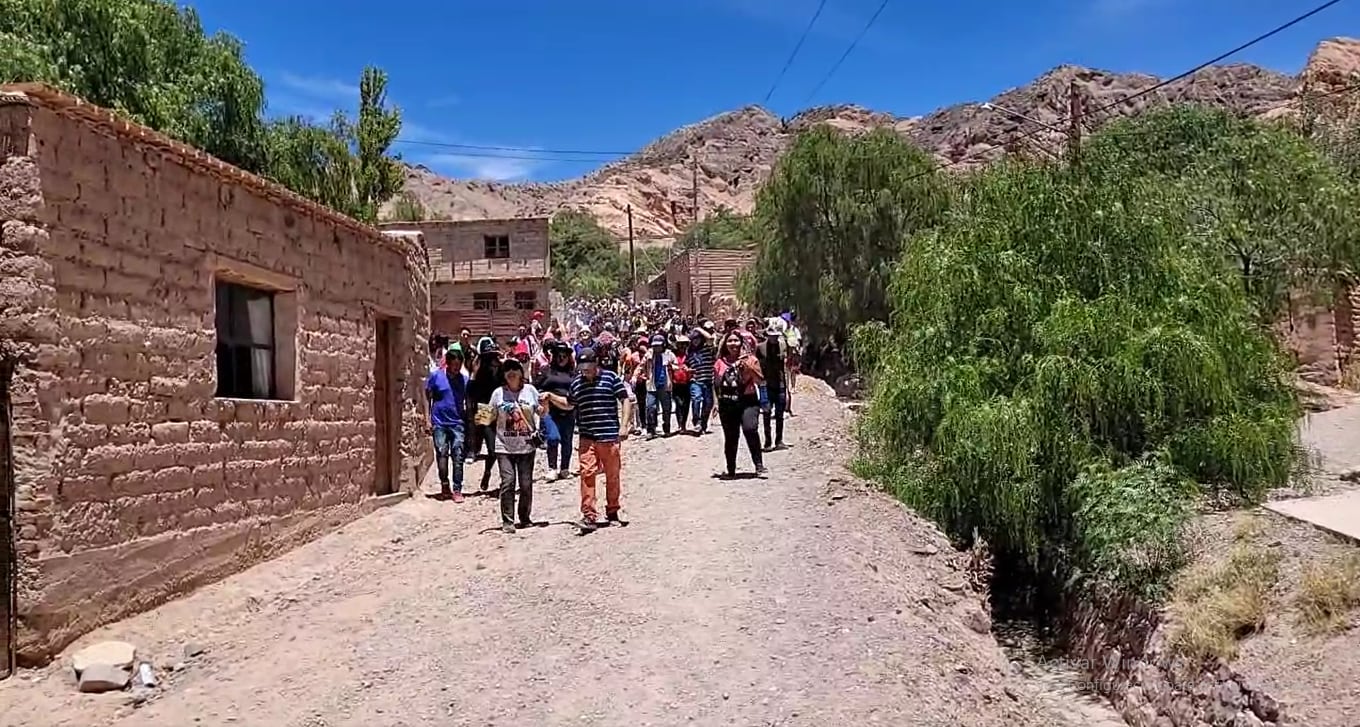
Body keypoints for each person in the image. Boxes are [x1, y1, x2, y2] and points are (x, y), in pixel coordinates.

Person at [567, 348, 632, 531]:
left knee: (612, 475)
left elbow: (624, 399)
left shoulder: (610, 378)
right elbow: (569, 404)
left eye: (588, 366)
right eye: (582, 367)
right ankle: (589, 516)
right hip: (587, 437)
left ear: (596, 363)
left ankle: (612, 511)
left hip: (609, 436)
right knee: (587, 474)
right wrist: (549, 400)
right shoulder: (577, 384)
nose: (585, 370)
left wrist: (624, 425)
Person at [489, 358, 543, 533]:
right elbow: (487, 417)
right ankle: (508, 520)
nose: (511, 372)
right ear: (503, 375)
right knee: (508, 482)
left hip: (526, 446)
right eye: (507, 370)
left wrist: (545, 410)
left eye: (514, 368)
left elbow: (541, 412)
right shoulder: (497, 393)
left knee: (526, 484)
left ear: (521, 372)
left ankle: (525, 517)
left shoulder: (530, 391)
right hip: (504, 445)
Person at [713, 331, 767, 478]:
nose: (733, 344)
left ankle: (759, 465)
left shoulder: (751, 360)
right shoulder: (719, 363)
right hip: (727, 403)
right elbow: (716, 385)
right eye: (730, 341)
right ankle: (731, 469)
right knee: (731, 437)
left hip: (748, 400)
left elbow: (759, 380)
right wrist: (716, 403)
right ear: (725, 344)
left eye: (736, 341)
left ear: (742, 343)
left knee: (750, 429)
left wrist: (748, 367)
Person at [426, 345, 469, 501]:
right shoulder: (436, 377)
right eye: (454, 365)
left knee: (458, 455)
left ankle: (457, 489)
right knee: (442, 454)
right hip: (439, 423)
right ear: (448, 363)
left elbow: (468, 401)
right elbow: (427, 397)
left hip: (457, 422)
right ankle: (445, 484)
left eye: (459, 365)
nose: (456, 368)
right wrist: (427, 419)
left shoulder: (464, 380)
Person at [533, 341, 577, 481]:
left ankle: (565, 468)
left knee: (567, 441)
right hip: (551, 411)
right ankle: (552, 468)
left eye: (564, 355)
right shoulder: (547, 371)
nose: (561, 358)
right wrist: (542, 398)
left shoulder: (573, 373)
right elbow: (535, 388)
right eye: (559, 355)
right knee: (553, 437)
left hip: (569, 410)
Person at [467, 338, 502, 491]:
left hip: (501, 411)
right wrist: (473, 374)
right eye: (489, 357)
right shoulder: (479, 372)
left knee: (502, 449)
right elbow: (470, 393)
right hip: (484, 410)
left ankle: (503, 479)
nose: (492, 360)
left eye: (494, 356)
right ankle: (487, 471)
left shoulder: (502, 371)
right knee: (492, 449)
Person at [756, 322, 788, 451]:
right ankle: (768, 441)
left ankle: (779, 440)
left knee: (780, 414)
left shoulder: (782, 346)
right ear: (767, 336)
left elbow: (786, 364)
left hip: (780, 384)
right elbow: (756, 365)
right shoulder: (760, 348)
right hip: (766, 385)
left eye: (776, 336)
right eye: (771, 336)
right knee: (767, 413)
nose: (774, 338)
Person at [641, 333, 677, 438]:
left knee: (666, 408)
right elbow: (641, 365)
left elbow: (676, 365)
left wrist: (673, 367)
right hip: (652, 385)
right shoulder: (649, 354)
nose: (656, 347)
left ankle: (666, 428)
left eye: (659, 345)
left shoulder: (669, 354)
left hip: (665, 385)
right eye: (654, 345)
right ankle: (651, 430)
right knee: (650, 407)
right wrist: (637, 375)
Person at [688, 321, 717, 435]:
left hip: (708, 381)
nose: (695, 341)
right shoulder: (689, 351)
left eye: (697, 339)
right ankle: (697, 422)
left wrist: (698, 329)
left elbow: (710, 339)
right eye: (693, 339)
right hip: (696, 381)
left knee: (708, 404)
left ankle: (703, 424)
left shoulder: (707, 348)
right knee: (696, 399)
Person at [782, 311, 802, 415]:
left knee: (791, 374)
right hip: (784, 358)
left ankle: (786, 406)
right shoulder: (780, 331)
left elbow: (796, 342)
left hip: (790, 357)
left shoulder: (793, 330)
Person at [671, 335, 692, 434]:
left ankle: (683, 424)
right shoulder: (673, 355)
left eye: (684, 344)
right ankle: (680, 423)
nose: (683, 346)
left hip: (687, 383)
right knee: (679, 403)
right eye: (681, 344)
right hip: (675, 383)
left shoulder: (690, 356)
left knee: (686, 405)